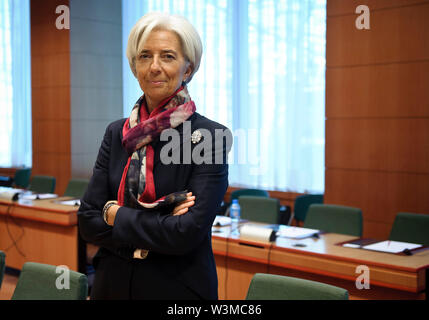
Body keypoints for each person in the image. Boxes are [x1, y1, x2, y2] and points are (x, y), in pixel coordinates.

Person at [77, 12, 231, 300]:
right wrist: (161, 222)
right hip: (112, 286)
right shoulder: (116, 133)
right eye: (145, 56)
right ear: (135, 67)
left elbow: (187, 233)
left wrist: (115, 214)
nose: (154, 67)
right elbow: (87, 221)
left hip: (177, 289)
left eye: (168, 56)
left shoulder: (210, 136)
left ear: (188, 69)